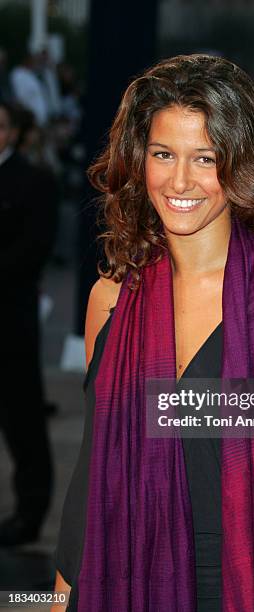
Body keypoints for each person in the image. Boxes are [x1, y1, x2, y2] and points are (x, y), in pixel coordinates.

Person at [53, 55, 254, 611]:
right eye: (163, 154)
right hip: (124, 579)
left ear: (240, 167)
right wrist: (57, 599)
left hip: (247, 584)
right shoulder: (112, 296)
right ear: (138, 160)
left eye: (205, 159)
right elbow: (96, 475)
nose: (180, 181)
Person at [0, 101, 57, 545]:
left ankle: (28, 514)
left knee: (22, 422)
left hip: (10, 323)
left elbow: (32, 250)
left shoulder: (35, 182)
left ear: (15, 133)